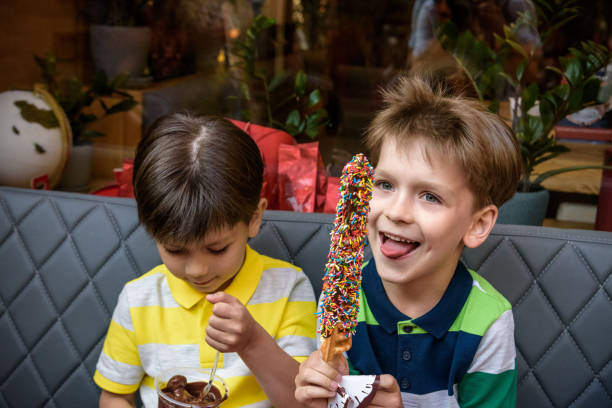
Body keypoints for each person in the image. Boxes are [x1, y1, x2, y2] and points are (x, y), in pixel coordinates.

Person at [294, 75, 522, 407]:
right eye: (385, 184)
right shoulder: (343, 300)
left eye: (430, 196)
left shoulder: (488, 321)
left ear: (477, 224)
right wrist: (314, 399)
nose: (397, 212)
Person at [94, 113, 317, 407]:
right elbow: (114, 395)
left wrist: (252, 342)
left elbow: (303, 403)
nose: (197, 270)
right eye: (175, 250)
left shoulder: (288, 289)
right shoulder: (139, 301)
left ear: (254, 218)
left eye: (217, 249)